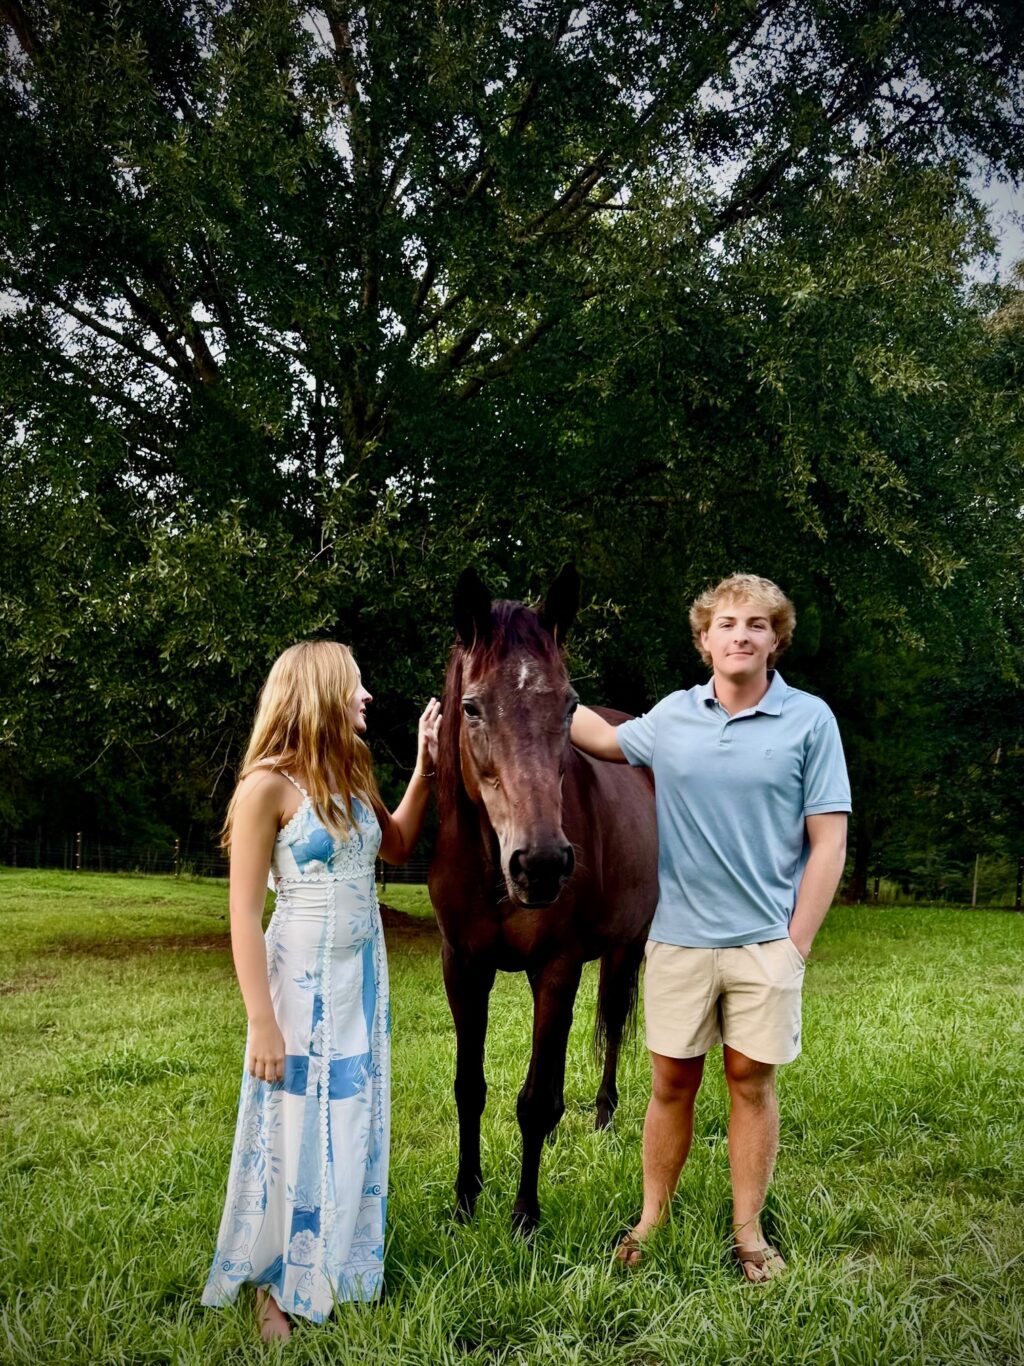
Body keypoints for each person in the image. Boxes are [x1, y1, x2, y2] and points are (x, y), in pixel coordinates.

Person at [570, 574, 849, 1283]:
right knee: (670, 1083)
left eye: (757, 624)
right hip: (679, 941)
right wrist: (534, 684)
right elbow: (600, 738)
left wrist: (797, 944)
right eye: (726, 624)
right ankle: (652, 1219)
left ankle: (748, 1232)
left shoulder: (811, 720)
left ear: (775, 639)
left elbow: (829, 841)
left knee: (750, 1082)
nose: (740, 635)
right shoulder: (671, 717)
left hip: (764, 943)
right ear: (704, 640)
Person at [201, 641, 441, 1341]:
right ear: (318, 692)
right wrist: (261, 1023)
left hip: (360, 980)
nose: (367, 697)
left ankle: (337, 1264)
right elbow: (244, 913)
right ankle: (276, 1281)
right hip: (296, 985)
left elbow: (396, 846)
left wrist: (423, 768)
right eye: (356, 686)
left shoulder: (354, 771)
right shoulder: (266, 788)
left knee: (353, 1118)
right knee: (293, 1126)